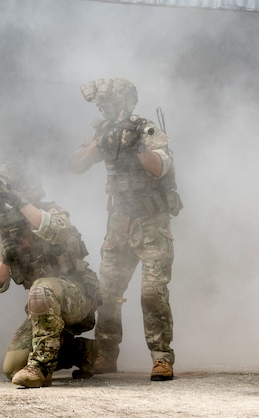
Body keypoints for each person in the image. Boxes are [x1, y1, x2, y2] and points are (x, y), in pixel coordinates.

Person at [68, 78, 182, 381]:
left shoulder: (146, 131)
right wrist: (100, 140)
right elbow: (75, 165)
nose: (110, 110)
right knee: (107, 292)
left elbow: (159, 167)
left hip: (152, 224)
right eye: (105, 106)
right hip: (119, 223)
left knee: (152, 292)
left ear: (127, 103)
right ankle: (106, 354)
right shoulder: (104, 133)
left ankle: (161, 357)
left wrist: (136, 145)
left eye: (114, 104)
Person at [0, 160, 101, 388]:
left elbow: (58, 231)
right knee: (12, 368)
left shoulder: (51, 211)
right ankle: (82, 352)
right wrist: (6, 260)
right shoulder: (5, 232)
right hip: (44, 311)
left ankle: (40, 368)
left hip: (78, 297)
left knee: (41, 288)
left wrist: (21, 205)